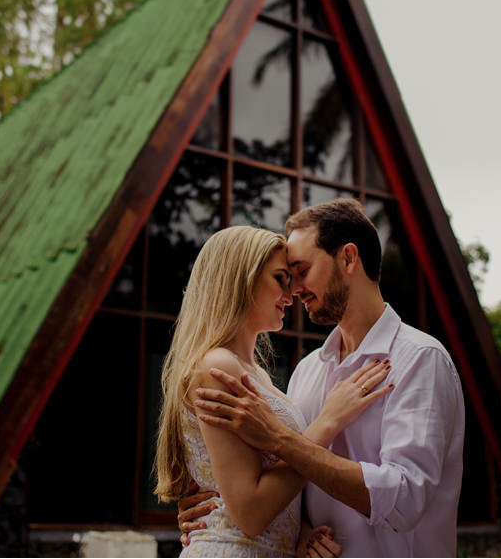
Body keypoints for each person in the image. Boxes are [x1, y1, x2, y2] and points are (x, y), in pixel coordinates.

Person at [179, 199, 465, 557]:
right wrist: (230, 510)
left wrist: (282, 440)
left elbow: (404, 499)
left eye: (300, 270)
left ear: (348, 258)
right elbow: (290, 489)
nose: (293, 289)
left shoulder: (420, 359)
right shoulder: (307, 372)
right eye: (285, 277)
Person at [154, 225, 395, 557]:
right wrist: (328, 421)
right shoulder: (219, 367)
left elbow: (264, 487)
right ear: (242, 279)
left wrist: (300, 532)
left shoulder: (259, 377)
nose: (291, 292)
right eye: (281, 278)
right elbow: (250, 513)